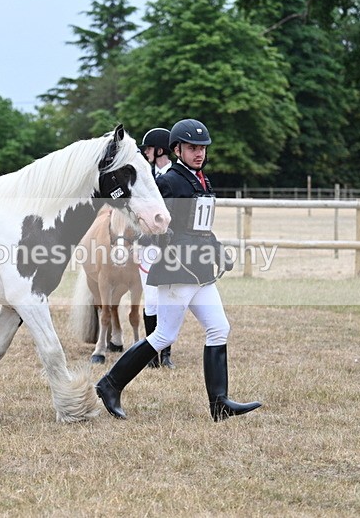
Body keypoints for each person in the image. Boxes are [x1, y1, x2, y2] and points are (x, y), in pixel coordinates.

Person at [96, 119, 261, 421]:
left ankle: (220, 403)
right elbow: (148, 221)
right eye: (192, 148)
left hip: (200, 269)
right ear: (177, 149)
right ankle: (109, 384)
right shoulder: (170, 181)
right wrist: (157, 239)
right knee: (164, 335)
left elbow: (199, 227)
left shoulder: (202, 180)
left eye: (202, 148)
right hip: (177, 267)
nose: (199, 153)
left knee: (219, 328)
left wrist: (218, 249)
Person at [138, 127, 174, 369]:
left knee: (168, 299)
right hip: (147, 246)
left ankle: (167, 353)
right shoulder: (144, 177)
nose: (146, 153)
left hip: (170, 247)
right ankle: (151, 354)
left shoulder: (177, 176)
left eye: (149, 148)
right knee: (150, 299)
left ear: (160, 149)